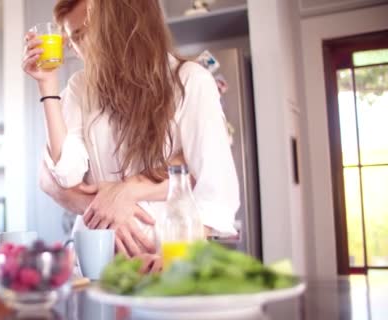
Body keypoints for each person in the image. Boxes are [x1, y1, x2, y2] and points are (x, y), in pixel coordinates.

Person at [22, 0, 240, 272]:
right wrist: (47, 86)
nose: (77, 49)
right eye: (72, 38)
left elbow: (216, 191)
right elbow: (65, 174)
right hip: (97, 262)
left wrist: (174, 260)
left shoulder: (190, 81)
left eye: (84, 33)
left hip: (167, 264)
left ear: (122, 23)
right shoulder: (80, 87)